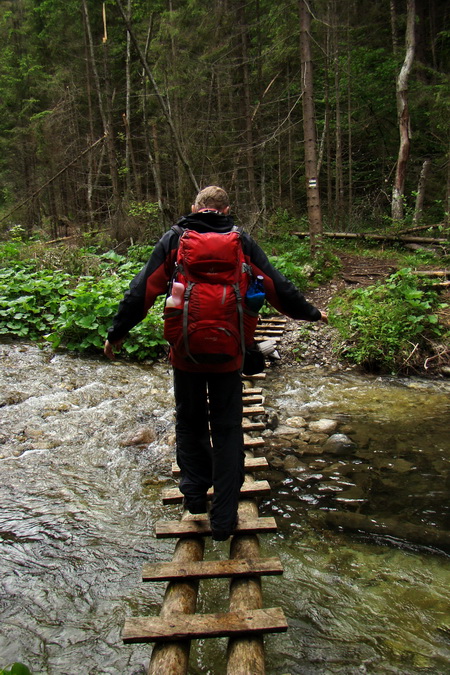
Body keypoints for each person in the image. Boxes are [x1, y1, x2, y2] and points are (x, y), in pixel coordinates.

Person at [104, 186, 328, 541]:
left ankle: (194, 499)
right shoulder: (241, 241)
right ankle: (224, 518)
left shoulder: (175, 239)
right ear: (225, 209)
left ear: (195, 207)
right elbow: (276, 286)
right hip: (228, 353)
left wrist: (117, 332)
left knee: (190, 423)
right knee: (227, 430)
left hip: (186, 353)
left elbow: (141, 290)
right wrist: (311, 314)